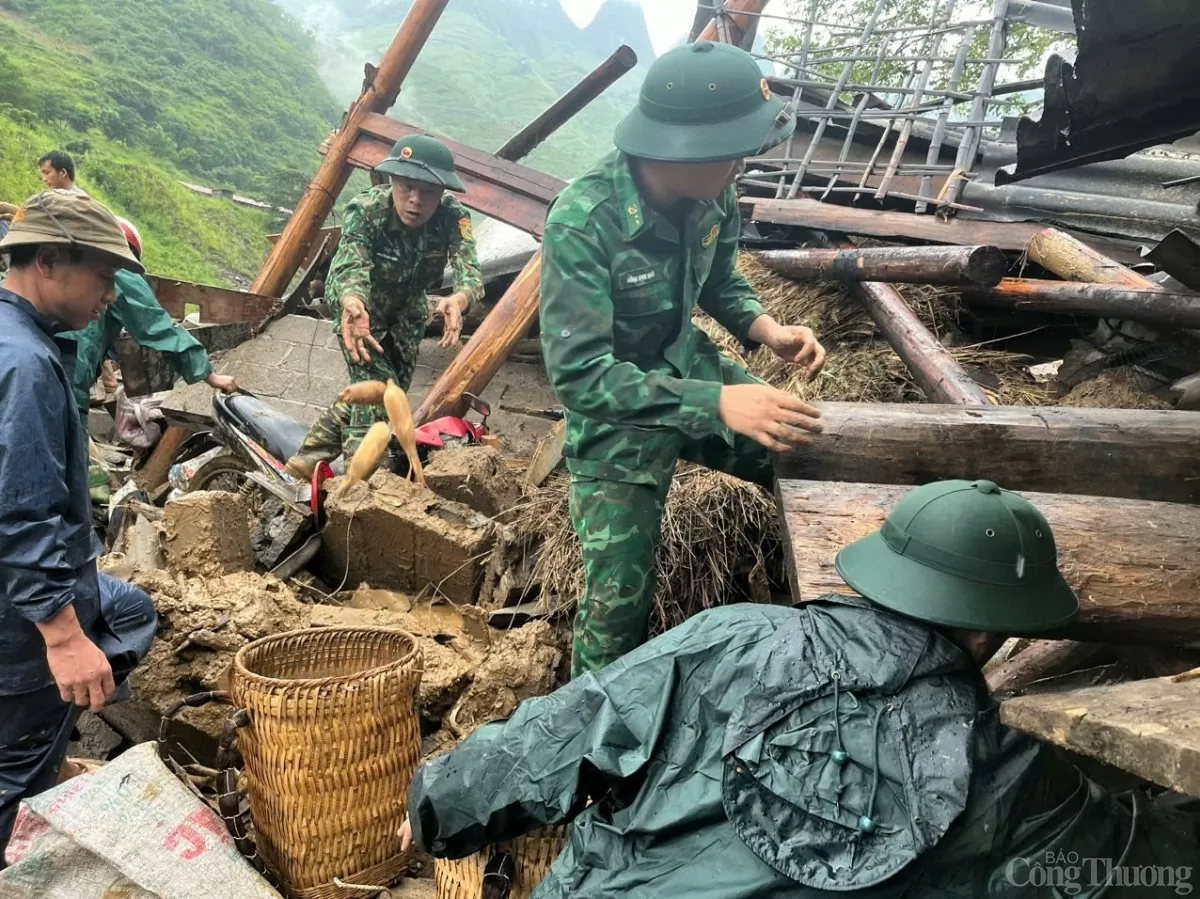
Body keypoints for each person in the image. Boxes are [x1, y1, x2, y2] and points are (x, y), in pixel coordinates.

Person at [401, 479, 1200, 897]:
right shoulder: (1019, 778)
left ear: (885, 570)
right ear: (996, 630)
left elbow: (572, 730)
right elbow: (1140, 861)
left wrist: (440, 802)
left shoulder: (735, 636)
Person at [537, 40, 828, 679]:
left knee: (805, 456)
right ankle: (593, 746)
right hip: (617, 419)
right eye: (733, 152)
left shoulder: (714, 191)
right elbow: (582, 376)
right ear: (683, 148)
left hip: (691, 367)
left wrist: (766, 328)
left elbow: (721, 281)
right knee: (619, 605)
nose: (741, 166)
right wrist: (717, 401)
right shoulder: (584, 223)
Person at [0, 190, 159, 860]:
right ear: (49, 260)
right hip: (22, 632)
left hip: (39, 598)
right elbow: (19, 511)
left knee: (134, 610)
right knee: (17, 787)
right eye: (102, 277)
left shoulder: (22, 341)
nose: (109, 296)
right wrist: (62, 636)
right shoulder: (27, 365)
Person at [285, 134, 485, 477]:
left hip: (408, 319)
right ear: (392, 180)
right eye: (407, 186)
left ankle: (307, 458)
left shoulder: (454, 217)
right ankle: (360, 488)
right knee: (378, 400)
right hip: (362, 316)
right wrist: (352, 303)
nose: (415, 200)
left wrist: (459, 298)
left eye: (428, 193)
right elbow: (348, 268)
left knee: (387, 399)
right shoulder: (365, 212)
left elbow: (471, 271)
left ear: (441, 195)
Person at [58, 214, 239, 436]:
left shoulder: (59, 261)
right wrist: (209, 375)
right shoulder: (119, 271)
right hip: (66, 378)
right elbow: (156, 325)